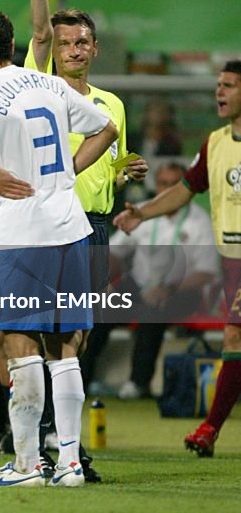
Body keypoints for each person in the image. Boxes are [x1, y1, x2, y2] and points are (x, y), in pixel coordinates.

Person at [0, 7, 117, 487]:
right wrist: (69, 168)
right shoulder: (49, 84)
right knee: (66, 347)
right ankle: (69, 464)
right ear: (11, 46)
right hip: (71, 228)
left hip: (24, 234)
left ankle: (27, 465)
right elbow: (106, 128)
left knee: (21, 346)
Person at [19, 0, 146, 481]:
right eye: (65, 41)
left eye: (81, 43)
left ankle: (54, 437)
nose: (71, 48)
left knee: (78, 335)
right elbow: (41, 30)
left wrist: (124, 173)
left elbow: (110, 168)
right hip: (49, 224)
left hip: (94, 228)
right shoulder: (42, 85)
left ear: (94, 50)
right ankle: (52, 442)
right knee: (53, 333)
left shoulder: (110, 104)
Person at [114, 60, 241, 458]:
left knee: (235, 334)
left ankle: (209, 427)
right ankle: (211, 429)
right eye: (218, 85)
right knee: (235, 337)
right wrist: (142, 212)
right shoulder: (216, 143)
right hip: (230, 260)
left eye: (230, 85)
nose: (220, 92)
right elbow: (185, 189)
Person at [110, 161, 219, 400]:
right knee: (98, 306)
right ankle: (79, 382)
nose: (168, 189)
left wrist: (168, 288)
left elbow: (207, 272)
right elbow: (115, 253)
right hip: (138, 285)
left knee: (154, 309)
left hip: (182, 291)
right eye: (163, 184)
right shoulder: (140, 212)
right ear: (155, 185)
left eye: (174, 185)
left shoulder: (201, 222)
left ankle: (138, 383)